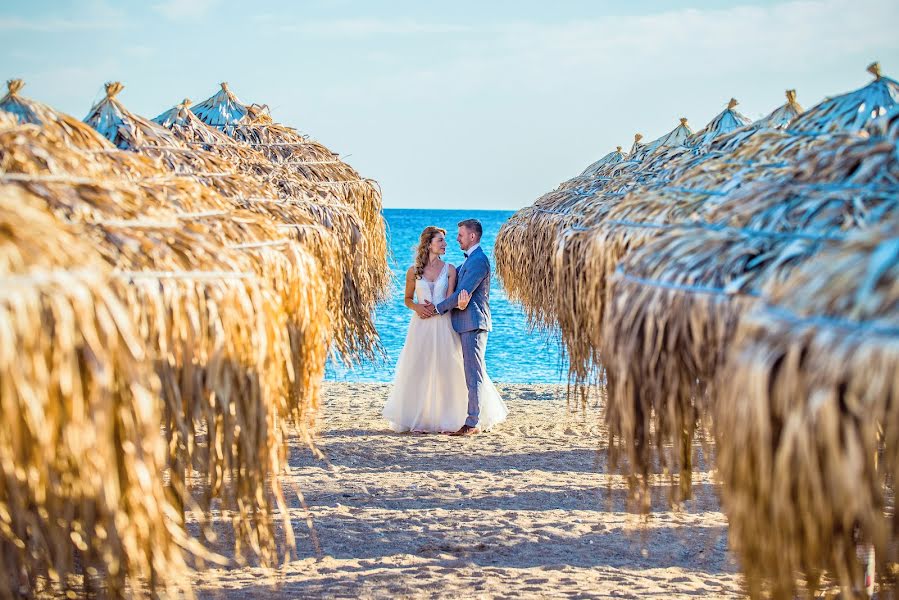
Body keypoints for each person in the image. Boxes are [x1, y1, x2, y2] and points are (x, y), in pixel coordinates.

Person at [383, 224, 507, 433]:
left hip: (443, 323)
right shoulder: (413, 271)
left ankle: (463, 419)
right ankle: (420, 417)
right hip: (420, 325)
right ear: (428, 244)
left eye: (455, 237)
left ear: (472, 236)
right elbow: (407, 299)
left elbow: (453, 296)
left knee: (450, 369)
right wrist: (418, 307)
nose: (448, 243)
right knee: (419, 369)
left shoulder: (451, 269)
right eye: (440, 240)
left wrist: (442, 308)